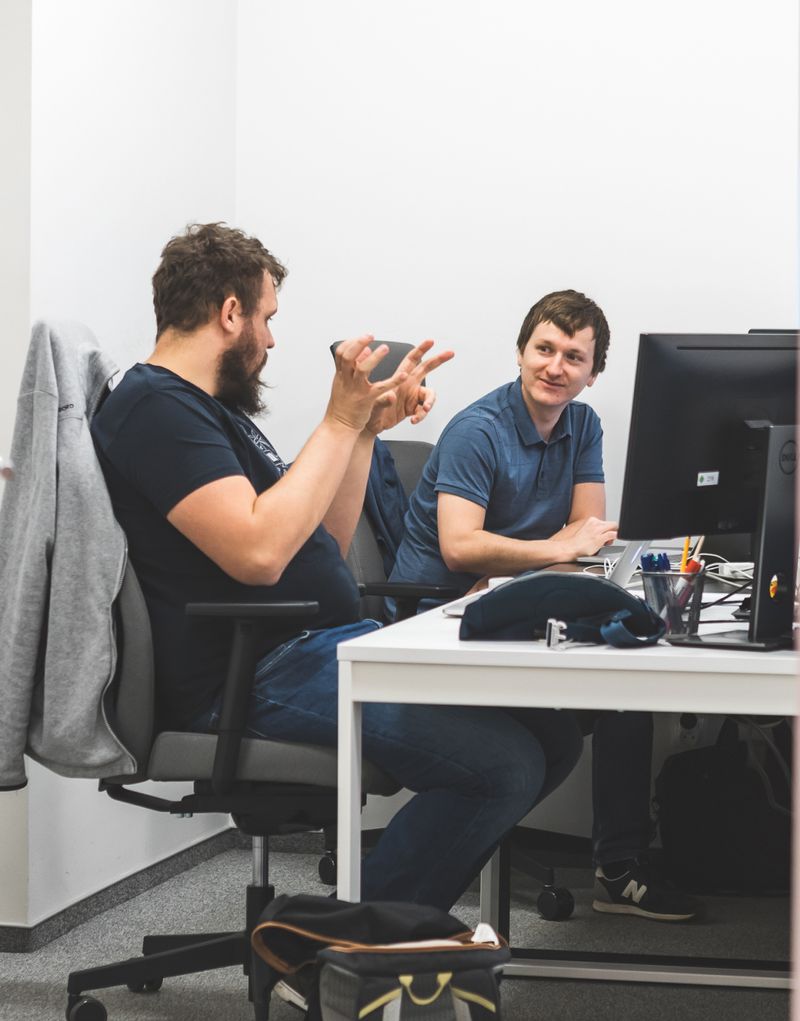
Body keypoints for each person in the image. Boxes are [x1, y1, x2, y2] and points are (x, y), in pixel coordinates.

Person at [90, 222, 584, 915]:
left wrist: (362, 430)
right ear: (231, 312)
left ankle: (391, 917)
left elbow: (319, 536)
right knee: (502, 766)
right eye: (266, 318)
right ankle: (340, 945)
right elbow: (259, 555)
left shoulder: (207, 412)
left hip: (313, 647)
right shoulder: (154, 406)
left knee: (552, 734)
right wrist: (334, 418)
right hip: (250, 672)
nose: (270, 339)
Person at [389, 289, 699, 922]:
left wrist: (560, 553)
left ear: (593, 372)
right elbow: (459, 549)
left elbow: (588, 540)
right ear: (521, 351)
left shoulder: (582, 425)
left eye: (574, 357)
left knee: (624, 689)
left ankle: (618, 869)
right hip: (433, 622)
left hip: (510, 608)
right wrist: (556, 548)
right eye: (544, 349)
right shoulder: (478, 430)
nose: (555, 367)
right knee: (598, 699)